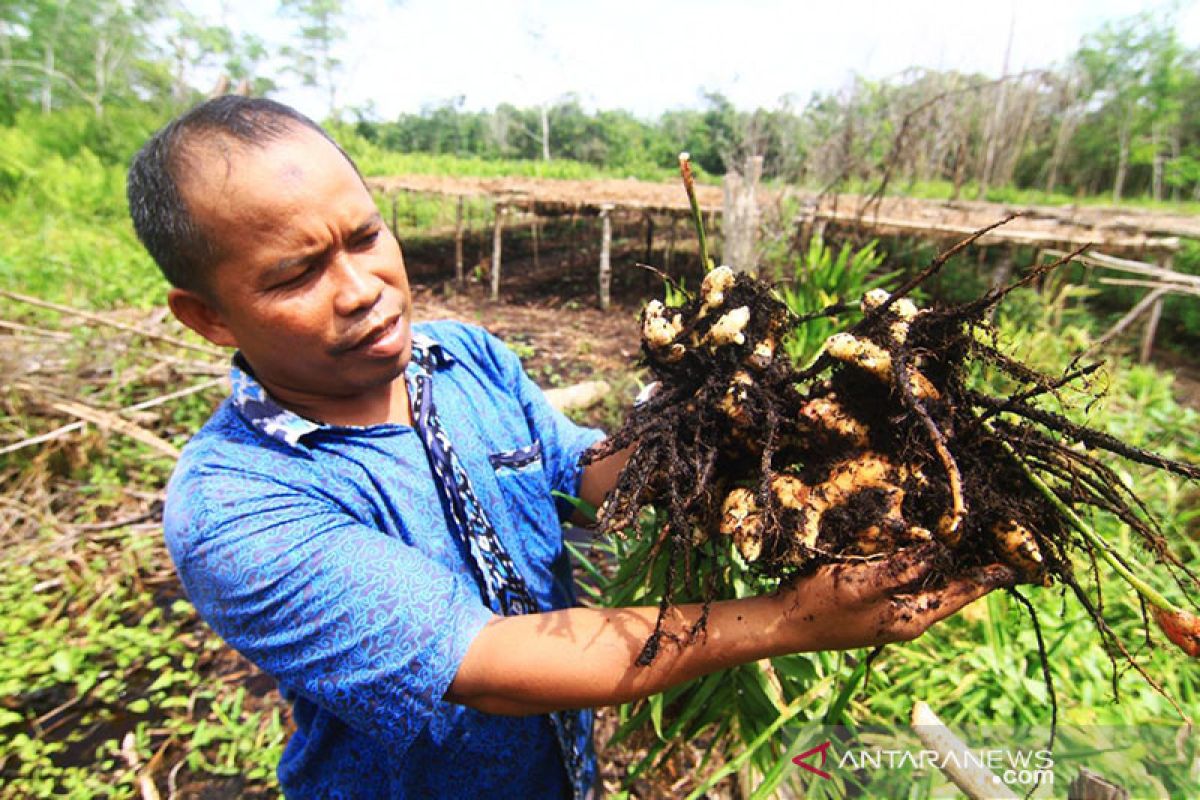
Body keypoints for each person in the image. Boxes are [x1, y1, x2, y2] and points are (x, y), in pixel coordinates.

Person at [126, 96, 1015, 799]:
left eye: (366, 237)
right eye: (297, 273)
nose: (362, 290)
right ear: (205, 315)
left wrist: (724, 427)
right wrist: (791, 621)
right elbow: (499, 668)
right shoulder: (238, 506)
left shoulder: (460, 355)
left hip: (561, 773)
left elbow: (587, 473)